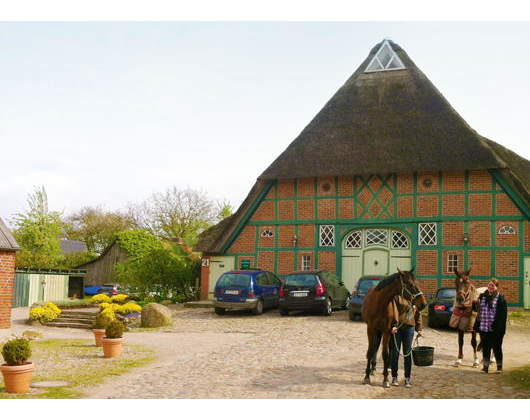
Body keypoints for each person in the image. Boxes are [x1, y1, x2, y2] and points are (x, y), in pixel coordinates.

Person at [473, 278, 507, 374]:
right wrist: (475, 302)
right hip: (484, 327)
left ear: (496, 287)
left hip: (496, 329)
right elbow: (476, 310)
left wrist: (500, 330)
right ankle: (485, 367)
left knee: (497, 347)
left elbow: (503, 316)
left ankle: (499, 367)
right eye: (489, 285)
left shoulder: (501, 299)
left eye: (492, 285)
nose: (490, 287)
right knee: (486, 347)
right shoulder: (482, 297)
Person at [390, 294, 423, 388]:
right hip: (397, 329)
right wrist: (393, 325)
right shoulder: (397, 297)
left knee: (407, 354)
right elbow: (393, 311)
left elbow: (418, 313)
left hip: (409, 329)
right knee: (395, 353)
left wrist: (419, 328)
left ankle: (407, 378)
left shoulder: (415, 297)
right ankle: (394, 377)